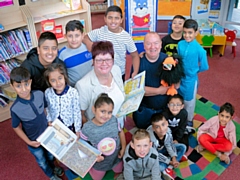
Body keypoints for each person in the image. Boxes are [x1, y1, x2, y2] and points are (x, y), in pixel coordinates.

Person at [10, 67, 62, 180]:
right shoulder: (15, 108)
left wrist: (48, 121)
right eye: (18, 86)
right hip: (34, 141)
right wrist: (29, 142)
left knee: (50, 155)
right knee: (42, 161)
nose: (23, 89)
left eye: (26, 84)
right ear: (12, 87)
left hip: (47, 135)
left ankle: (53, 167)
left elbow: (45, 109)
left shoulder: (39, 94)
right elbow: (16, 127)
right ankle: (51, 175)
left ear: (30, 82)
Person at [75, 41, 125, 127]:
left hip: (119, 126)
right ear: (93, 61)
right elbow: (81, 115)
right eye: (99, 60)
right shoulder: (83, 86)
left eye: (108, 59)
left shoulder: (116, 70)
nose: (104, 64)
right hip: (99, 132)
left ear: (113, 60)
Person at [83, 5, 140, 80]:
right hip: (101, 72)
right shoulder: (100, 32)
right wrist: (89, 44)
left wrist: (135, 71)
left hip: (118, 73)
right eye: (110, 18)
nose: (113, 21)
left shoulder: (126, 37)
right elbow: (85, 37)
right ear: (105, 19)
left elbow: (135, 55)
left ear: (121, 20)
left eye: (116, 18)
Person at [80, 93, 126, 180]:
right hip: (100, 163)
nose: (106, 116)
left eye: (109, 112)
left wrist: (123, 147)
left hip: (116, 158)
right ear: (94, 109)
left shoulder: (113, 120)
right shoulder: (87, 128)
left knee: (120, 170)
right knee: (97, 178)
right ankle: (91, 168)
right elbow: (81, 145)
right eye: (102, 111)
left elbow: (121, 132)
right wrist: (93, 158)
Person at [132, 32, 168, 129]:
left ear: (161, 45)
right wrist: (158, 91)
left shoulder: (168, 60)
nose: (152, 47)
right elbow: (136, 90)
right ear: (144, 46)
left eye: (156, 43)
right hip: (144, 110)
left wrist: (147, 90)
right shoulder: (138, 62)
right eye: (148, 44)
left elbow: (171, 87)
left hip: (164, 109)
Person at [177, 19, 209, 128]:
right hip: (179, 77)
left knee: (189, 102)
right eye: (184, 32)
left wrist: (194, 72)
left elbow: (205, 66)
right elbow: (178, 59)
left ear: (196, 32)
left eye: (190, 32)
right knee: (178, 98)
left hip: (191, 80)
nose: (186, 35)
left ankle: (189, 120)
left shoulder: (200, 50)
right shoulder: (180, 44)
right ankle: (178, 117)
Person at [44, 63, 82, 138]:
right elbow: (47, 108)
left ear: (64, 77)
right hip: (55, 126)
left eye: (60, 78)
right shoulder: (48, 92)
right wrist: (49, 120)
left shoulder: (73, 92)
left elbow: (76, 111)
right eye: (53, 80)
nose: (58, 83)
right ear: (49, 82)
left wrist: (77, 129)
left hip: (69, 126)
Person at [147, 113, 187, 180]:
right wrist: (169, 161)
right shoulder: (150, 139)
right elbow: (154, 154)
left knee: (183, 147)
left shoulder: (168, 131)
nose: (161, 129)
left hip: (163, 148)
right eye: (157, 127)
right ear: (153, 128)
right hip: (153, 154)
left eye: (163, 125)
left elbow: (169, 145)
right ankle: (174, 161)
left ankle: (169, 168)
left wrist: (173, 158)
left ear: (167, 123)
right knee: (160, 167)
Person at [58, 20, 92, 86]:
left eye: (77, 36)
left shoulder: (88, 47)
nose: (74, 39)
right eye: (70, 36)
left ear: (82, 35)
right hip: (75, 88)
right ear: (65, 36)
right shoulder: (62, 54)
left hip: (92, 84)